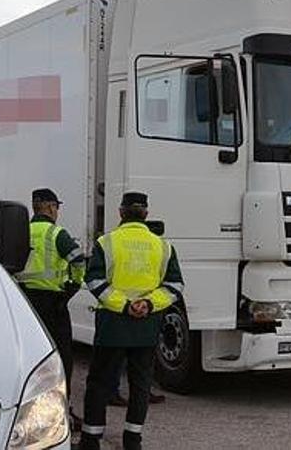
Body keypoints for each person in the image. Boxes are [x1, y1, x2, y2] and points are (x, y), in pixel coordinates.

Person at [79, 192, 185, 450]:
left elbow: (94, 281)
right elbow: (174, 286)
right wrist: (147, 304)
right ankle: (133, 439)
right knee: (140, 385)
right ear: (146, 214)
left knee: (99, 383)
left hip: (112, 326)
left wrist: (125, 306)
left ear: (121, 212)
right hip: (146, 327)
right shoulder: (163, 246)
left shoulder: (107, 243)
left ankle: (91, 439)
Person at [15, 188, 86, 429]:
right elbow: (78, 260)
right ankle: (63, 410)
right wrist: (73, 286)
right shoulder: (56, 233)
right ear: (49, 207)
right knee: (61, 358)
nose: (57, 211)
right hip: (53, 304)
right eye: (57, 206)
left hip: (23, 302)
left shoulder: (19, 231)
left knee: (27, 358)